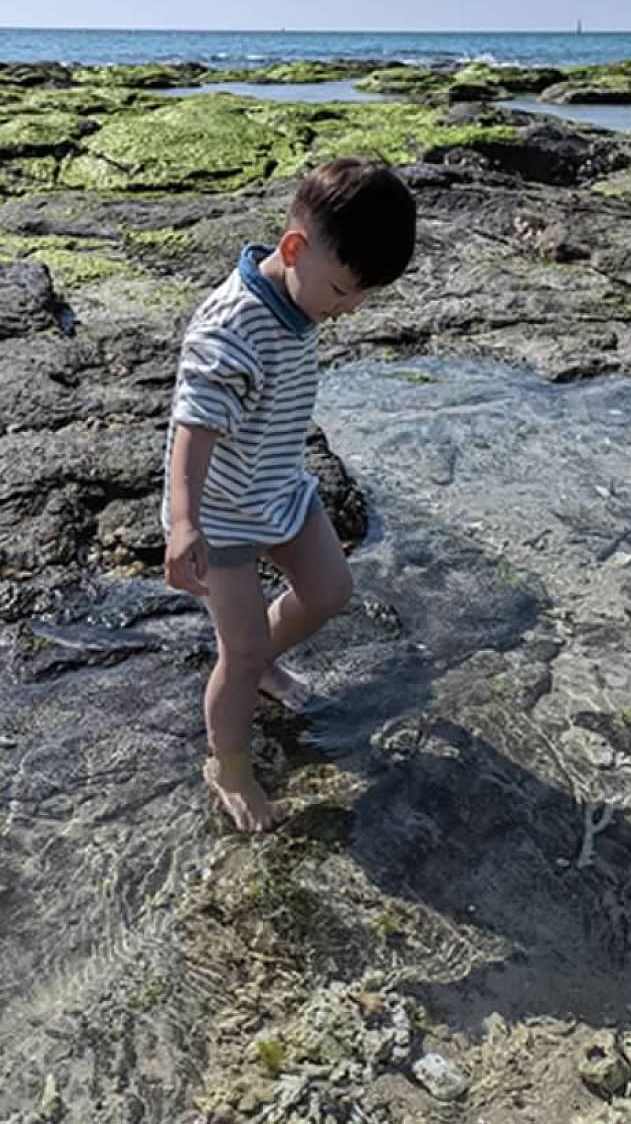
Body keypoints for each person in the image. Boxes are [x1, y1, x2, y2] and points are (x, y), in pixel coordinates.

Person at [163, 157, 416, 832]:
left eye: (361, 298)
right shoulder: (230, 325)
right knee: (238, 650)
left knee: (330, 591)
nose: (348, 309)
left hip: (280, 487)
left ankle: (258, 664)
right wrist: (184, 524)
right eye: (341, 290)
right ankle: (231, 763)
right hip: (220, 515)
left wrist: (330, 292)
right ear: (295, 248)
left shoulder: (301, 297)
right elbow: (193, 427)